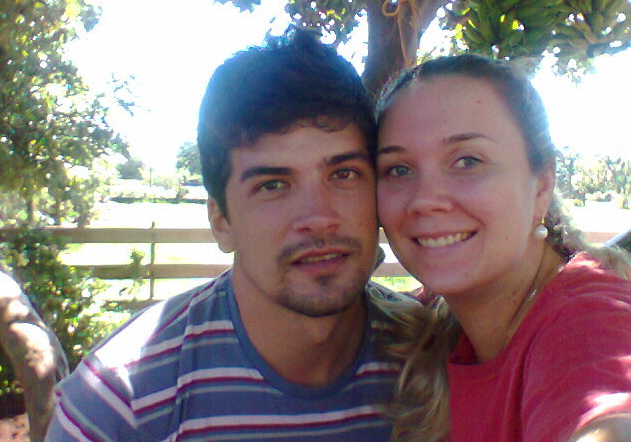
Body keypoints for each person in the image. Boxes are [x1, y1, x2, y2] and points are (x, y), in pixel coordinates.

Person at [45, 30, 402, 441]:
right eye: (272, 185)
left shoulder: (431, 360)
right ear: (221, 222)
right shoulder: (119, 402)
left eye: (344, 174)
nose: (319, 217)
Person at [375, 54, 631, 442]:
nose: (425, 199)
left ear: (542, 184)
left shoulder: (587, 320)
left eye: (467, 161)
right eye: (399, 169)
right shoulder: (428, 325)